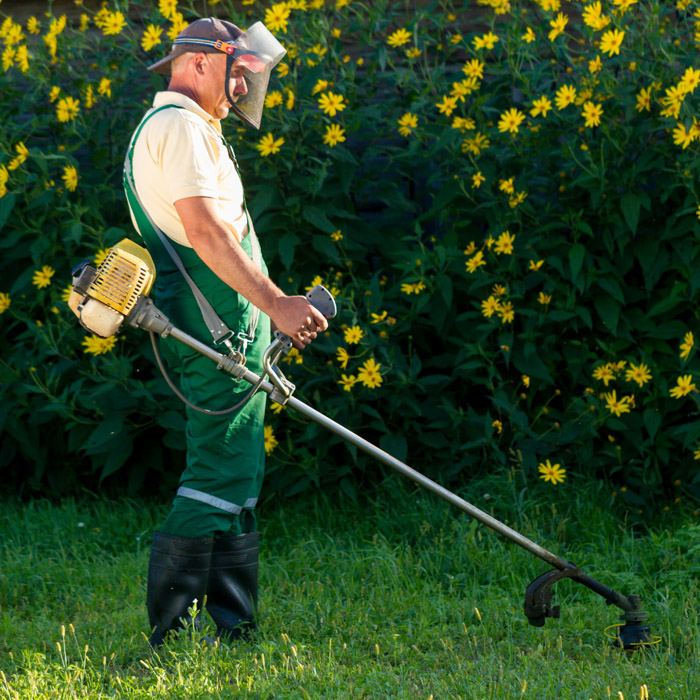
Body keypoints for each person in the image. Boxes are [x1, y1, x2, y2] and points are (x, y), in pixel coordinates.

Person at [123, 17, 328, 647]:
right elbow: (209, 235)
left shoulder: (181, 126)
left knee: (235, 470)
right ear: (202, 63)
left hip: (230, 326)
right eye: (239, 73)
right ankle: (174, 637)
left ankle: (232, 626)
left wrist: (264, 315)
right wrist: (279, 304)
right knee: (217, 472)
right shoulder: (181, 127)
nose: (242, 89)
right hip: (217, 326)